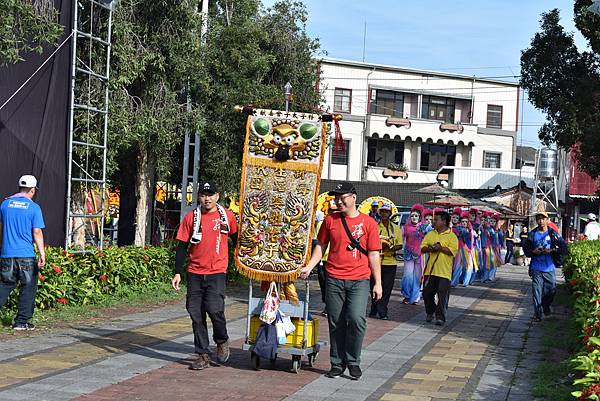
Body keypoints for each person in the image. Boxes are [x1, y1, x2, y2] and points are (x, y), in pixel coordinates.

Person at [299, 182, 382, 380]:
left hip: (359, 280)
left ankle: (353, 360)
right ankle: (337, 363)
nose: (338, 201)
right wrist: (310, 266)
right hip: (334, 278)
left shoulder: (369, 223)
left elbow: (373, 254)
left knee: (356, 320)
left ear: (353, 197)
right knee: (336, 322)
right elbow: (321, 246)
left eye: (342, 197)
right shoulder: (330, 220)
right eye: (336, 197)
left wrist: (377, 282)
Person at [172, 181, 238, 370]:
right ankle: (202, 354)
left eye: (211, 194)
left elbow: (236, 239)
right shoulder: (191, 217)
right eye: (203, 194)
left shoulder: (227, 217)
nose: (207, 198)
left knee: (215, 309)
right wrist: (177, 272)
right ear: (199, 197)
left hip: (217, 271)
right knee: (196, 313)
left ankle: (222, 340)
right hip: (195, 272)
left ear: (217, 196)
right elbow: (182, 246)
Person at [0, 175, 46, 331]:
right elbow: (37, 232)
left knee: (5, 285)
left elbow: (1, 228)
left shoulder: (5, 205)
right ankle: (21, 322)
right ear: (32, 190)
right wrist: (42, 253)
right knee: (28, 287)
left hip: (7, 254)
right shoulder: (34, 208)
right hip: (26, 255)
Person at [523, 211, 567, 322]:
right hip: (536, 267)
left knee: (551, 290)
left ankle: (545, 306)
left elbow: (564, 248)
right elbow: (526, 250)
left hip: (549, 267)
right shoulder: (532, 234)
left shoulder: (553, 234)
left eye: (543, 218)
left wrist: (552, 250)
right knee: (536, 291)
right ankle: (538, 315)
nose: (541, 221)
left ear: (547, 220)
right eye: (538, 219)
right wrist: (534, 251)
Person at [420, 211, 458, 326]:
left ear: (444, 221)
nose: (433, 222)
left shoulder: (452, 236)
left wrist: (440, 248)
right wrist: (430, 248)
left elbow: (452, 251)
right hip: (430, 271)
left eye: (436, 220)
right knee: (427, 293)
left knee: (442, 296)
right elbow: (422, 248)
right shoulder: (431, 234)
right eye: (433, 219)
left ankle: (440, 317)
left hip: (444, 272)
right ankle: (430, 312)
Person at [370, 202, 402, 320]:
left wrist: (392, 248)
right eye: (382, 211)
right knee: (373, 286)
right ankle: (374, 308)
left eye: (386, 212)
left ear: (390, 213)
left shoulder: (396, 228)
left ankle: (382, 310)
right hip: (375, 262)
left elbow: (400, 245)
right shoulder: (374, 227)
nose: (384, 214)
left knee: (387, 288)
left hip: (390, 262)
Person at [401, 204, 425, 305]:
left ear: (420, 217)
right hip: (408, 255)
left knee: (417, 277)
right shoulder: (405, 227)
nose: (414, 218)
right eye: (412, 216)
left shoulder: (424, 228)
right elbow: (401, 240)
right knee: (407, 276)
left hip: (420, 256)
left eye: (416, 216)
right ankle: (407, 295)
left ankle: (415, 297)